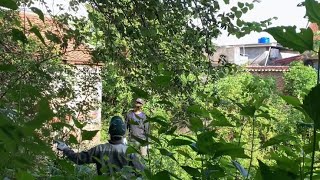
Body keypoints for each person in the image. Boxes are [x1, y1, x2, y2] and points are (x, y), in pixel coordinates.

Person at [55, 116, 144, 176]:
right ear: (124, 133)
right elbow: (142, 173)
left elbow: (78, 159)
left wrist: (65, 148)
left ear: (109, 132)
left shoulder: (100, 149)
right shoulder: (130, 152)